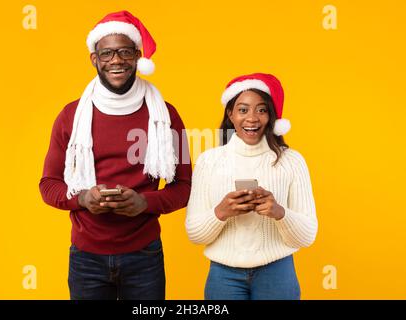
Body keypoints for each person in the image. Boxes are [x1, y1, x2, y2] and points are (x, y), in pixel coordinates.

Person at [39, 10, 192, 300]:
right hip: (86, 258)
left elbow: (184, 187)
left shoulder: (167, 115)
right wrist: (83, 198)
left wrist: (143, 202)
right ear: (94, 59)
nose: (116, 60)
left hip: (145, 255)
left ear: (137, 55)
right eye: (107, 53)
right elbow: (48, 185)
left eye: (124, 51)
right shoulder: (70, 116)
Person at [185, 73, 318, 300]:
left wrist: (280, 213)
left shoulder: (292, 161)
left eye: (262, 110)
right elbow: (194, 233)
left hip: (277, 272)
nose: (252, 118)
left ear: (272, 116)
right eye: (243, 109)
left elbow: (307, 236)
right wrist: (221, 212)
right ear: (231, 114)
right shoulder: (209, 161)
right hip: (223, 275)